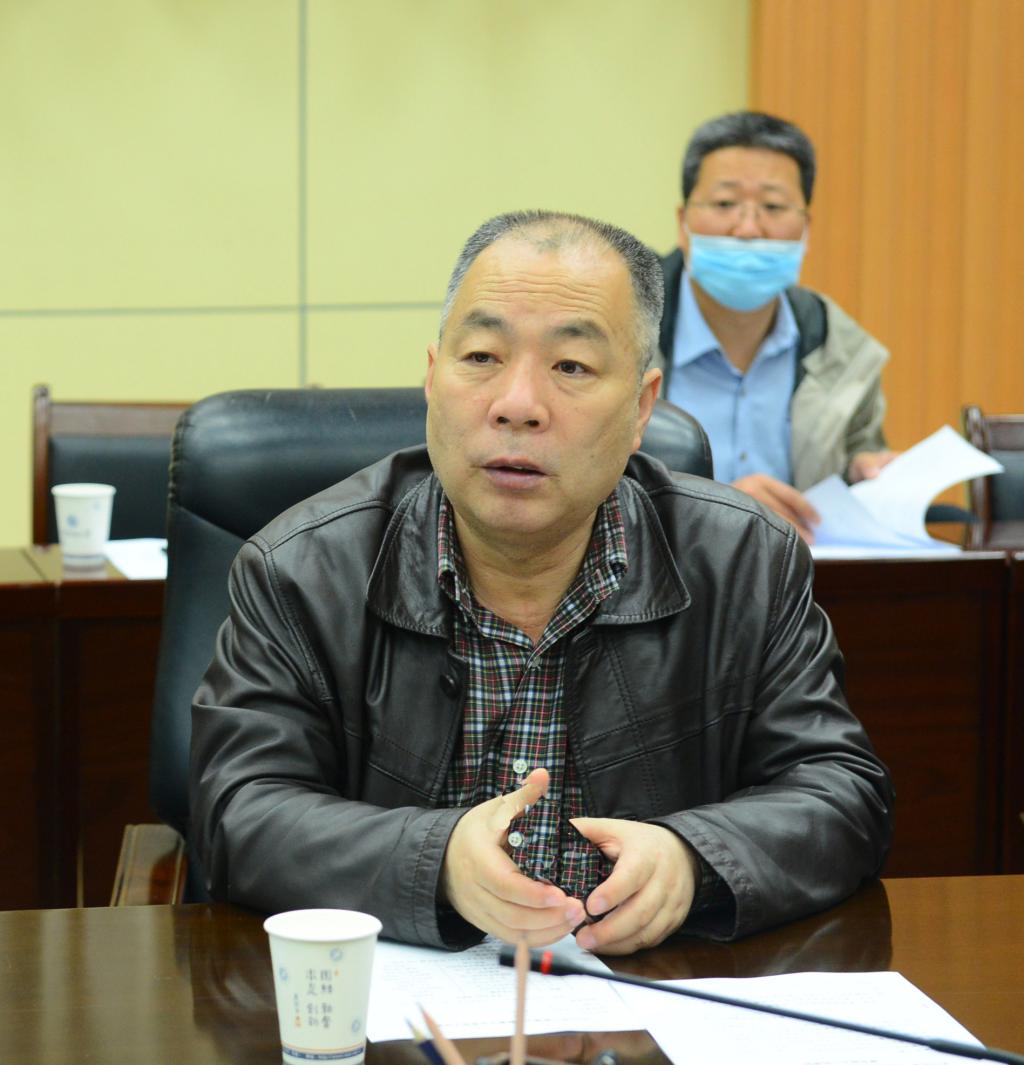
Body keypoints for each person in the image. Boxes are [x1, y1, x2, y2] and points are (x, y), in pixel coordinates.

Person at [190, 210, 892, 956]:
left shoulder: (745, 561)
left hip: (649, 994)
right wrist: (437, 859)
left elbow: (840, 791)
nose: (517, 404)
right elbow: (239, 811)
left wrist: (691, 859)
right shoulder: (300, 569)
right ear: (432, 377)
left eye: (572, 367)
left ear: (642, 407)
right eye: (481, 356)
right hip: (399, 998)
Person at [658, 111, 897, 541]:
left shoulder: (841, 347)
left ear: (806, 229)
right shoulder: (621, 334)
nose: (749, 229)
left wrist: (863, 473)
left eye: (773, 207)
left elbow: (858, 453)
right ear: (683, 223)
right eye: (724, 204)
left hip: (801, 576)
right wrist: (719, 509)